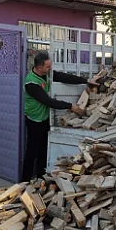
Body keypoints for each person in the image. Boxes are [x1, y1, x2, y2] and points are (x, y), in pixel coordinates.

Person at [22, 51, 92, 183]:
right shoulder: (31, 83)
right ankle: (24, 181)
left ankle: (40, 178)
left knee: (43, 150)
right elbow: (48, 101)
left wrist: (86, 81)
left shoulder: (47, 74)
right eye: (48, 67)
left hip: (44, 118)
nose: (50, 69)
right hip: (34, 120)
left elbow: (64, 77)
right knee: (32, 152)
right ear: (39, 67)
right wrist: (70, 106)